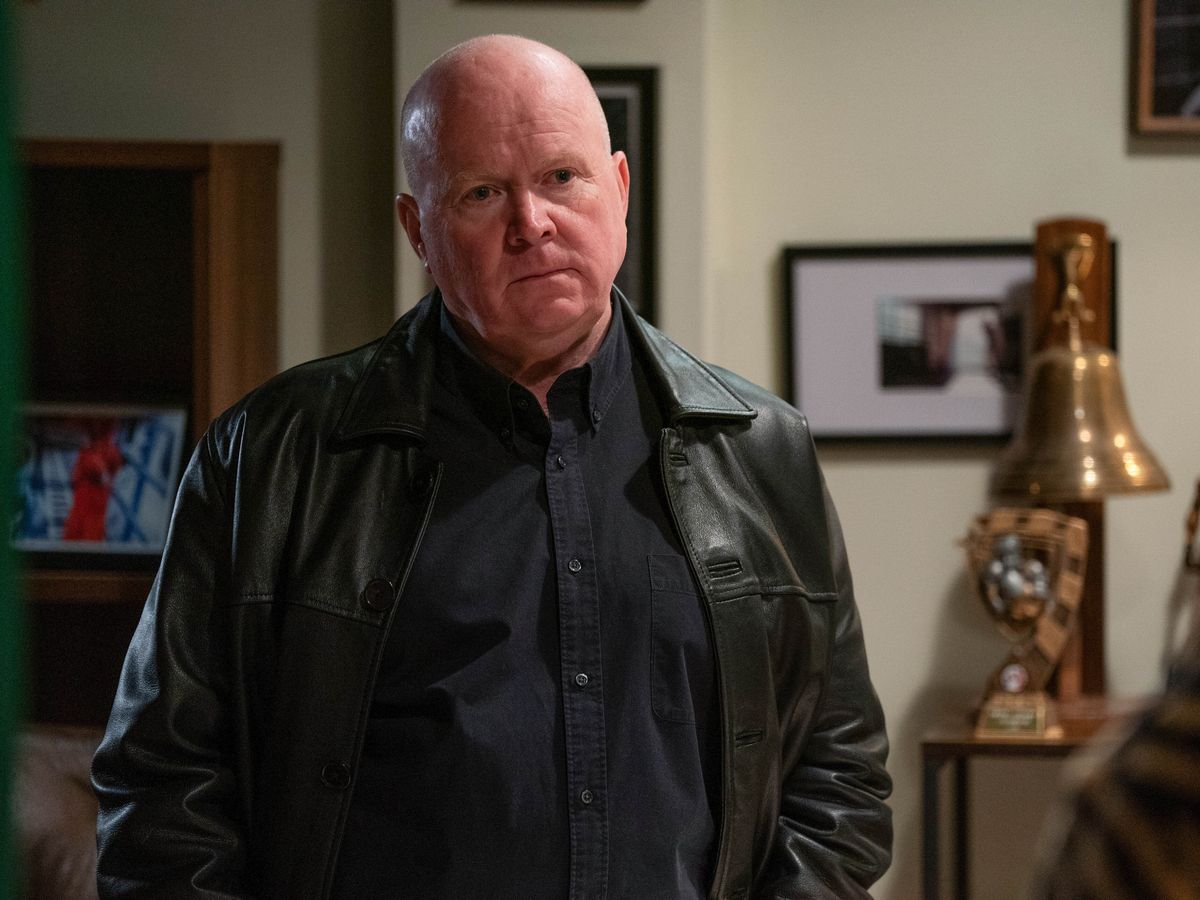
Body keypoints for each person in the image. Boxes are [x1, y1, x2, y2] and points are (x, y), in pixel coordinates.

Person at [92, 34, 892, 900]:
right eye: (481, 192)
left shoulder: (761, 451)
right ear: (418, 230)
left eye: (562, 177)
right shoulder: (273, 455)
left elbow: (839, 775)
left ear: (620, 190)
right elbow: (162, 788)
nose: (531, 223)